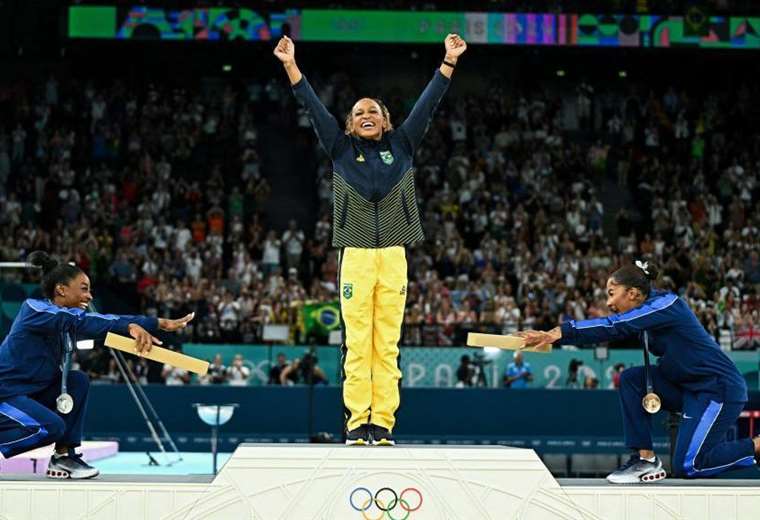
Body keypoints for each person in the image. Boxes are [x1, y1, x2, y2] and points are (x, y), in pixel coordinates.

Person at [274, 33, 467, 446]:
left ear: (385, 121)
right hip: (356, 255)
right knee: (358, 343)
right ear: (349, 123)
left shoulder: (402, 145)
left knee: (388, 345)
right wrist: (292, 65)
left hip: (393, 255)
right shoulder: (340, 148)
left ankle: (383, 424)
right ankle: (356, 423)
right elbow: (311, 105)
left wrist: (448, 62)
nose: (366, 114)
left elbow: (427, 105)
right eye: (359, 111)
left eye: (373, 111)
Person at [519, 261, 760, 483]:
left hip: (717, 389)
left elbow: (613, 326)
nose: (609, 303)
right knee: (631, 380)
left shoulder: (666, 304)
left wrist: (559, 332)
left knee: (689, 465)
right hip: (687, 388)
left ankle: (757, 446)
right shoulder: (646, 312)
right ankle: (646, 460)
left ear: (633, 293)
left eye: (612, 294)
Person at [0, 251, 193, 479]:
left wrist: (149, 326)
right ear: (61, 289)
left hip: (30, 394)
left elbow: (95, 326)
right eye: (83, 288)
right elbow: (85, 321)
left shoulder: (66, 322)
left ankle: (64, 457)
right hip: (6, 394)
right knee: (51, 427)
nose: (90, 296)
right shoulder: (34, 309)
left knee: (78, 380)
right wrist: (140, 323)